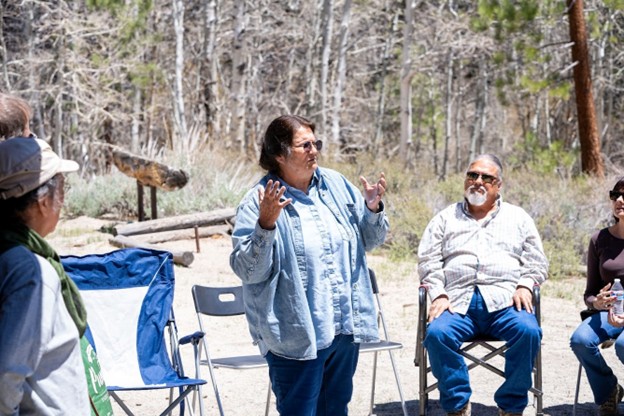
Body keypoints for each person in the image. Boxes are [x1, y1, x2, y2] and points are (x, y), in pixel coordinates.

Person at [230, 114, 389, 415]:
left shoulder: (336, 185)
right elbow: (248, 271)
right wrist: (266, 223)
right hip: (295, 334)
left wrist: (372, 209)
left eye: (316, 143)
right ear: (280, 154)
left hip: (342, 328)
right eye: (305, 146)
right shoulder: (259, 200)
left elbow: (369, 241)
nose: (314, 150)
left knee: (335, 410)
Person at [418, 154, 549, 416]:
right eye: (472, 175)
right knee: (437, 334)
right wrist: (439, 293)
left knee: (529, 331)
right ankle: (457, 404)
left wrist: (525, 285)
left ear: (498, 185)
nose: (477, 181)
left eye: (486, 177)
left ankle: (511, 405)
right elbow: (427, 260)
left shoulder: (518, 218)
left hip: (505, 303)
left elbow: (537, 262)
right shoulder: (445, 218)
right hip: (456, 303)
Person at [0, 93, 103, 414]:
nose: (64, 197)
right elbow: (7, 371)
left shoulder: (11, 252)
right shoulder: (31, 271)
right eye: (62, 187)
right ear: (44, 200)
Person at [570, 177, 624, 416]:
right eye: (615, 195)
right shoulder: (599, 239)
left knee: (623, 345)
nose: (619, 200)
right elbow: (589, 293)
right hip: (609, 310)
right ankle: (608, 391)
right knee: (580, 339)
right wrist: (597, 302)